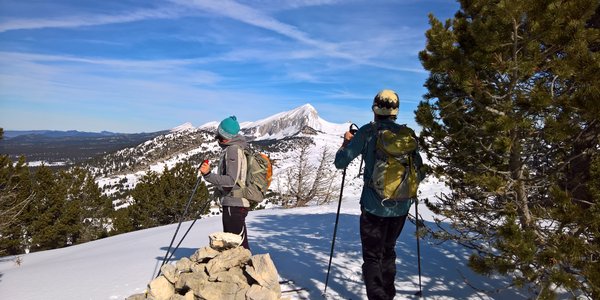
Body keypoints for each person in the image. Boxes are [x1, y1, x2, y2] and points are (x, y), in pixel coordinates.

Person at [334, 89, 424, 300]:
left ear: (374, 108)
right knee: (389, 251)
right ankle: (388, 295)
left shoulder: (368, 132)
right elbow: (419, 170)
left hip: (374, 206)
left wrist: (347, 142)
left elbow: (340, 162)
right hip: (401, 206)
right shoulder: (407, 135)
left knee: (373, 258)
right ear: (396, 111)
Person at [199, 116, 251, 250]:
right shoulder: (235, 148)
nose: (218, 140)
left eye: (220, 137)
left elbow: (230, 181)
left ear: (227, 137)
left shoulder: (233, 149)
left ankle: (246, 269)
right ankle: (245, 268)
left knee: (237, 247)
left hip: (234, 204)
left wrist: (208, 175)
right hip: (234, 204)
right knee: (237, 244)